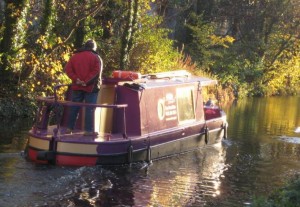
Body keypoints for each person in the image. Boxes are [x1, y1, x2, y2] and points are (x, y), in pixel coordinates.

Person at [65, 39, 103, 136]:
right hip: (91, 88)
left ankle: (69, 128)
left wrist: (77, 80)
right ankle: (88, 131)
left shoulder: (74, 56)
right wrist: (86, 82)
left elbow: (68, 70)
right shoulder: (96, 57)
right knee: (90, 108)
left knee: (74, 107)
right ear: (94, 47)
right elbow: (96, 72)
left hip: (77, 86)